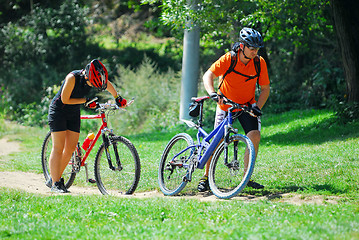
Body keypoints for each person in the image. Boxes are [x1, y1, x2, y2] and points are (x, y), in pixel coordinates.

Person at [198, 27, 270, 192]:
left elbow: (265, 88)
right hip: (226, 105)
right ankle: (206, 177)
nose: (254, 52)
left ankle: (247, 178)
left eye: (257, 49)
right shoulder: (229, 59)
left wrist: (257, 107)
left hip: (246, 105)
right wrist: (212, 93)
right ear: (242, 46)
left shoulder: (259, 63)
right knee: (216, 140)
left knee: (254, 136)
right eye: (251, 48)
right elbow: (208, 75)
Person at [47, 59, 127, 193]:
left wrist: (117, 97)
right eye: (92, 84)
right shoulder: (72, 78)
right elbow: (64, 99)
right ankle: (56, 184)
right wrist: (86, 101)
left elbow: (106, 84)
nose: (92, 86)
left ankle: (55, 178)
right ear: (87, 75)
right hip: (59, 111)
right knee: (58, 147)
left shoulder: (95, 77)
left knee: (70, 148)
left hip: (73, 112)